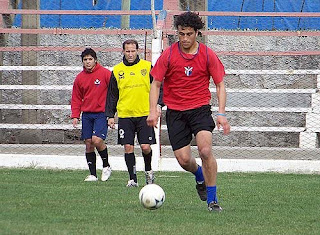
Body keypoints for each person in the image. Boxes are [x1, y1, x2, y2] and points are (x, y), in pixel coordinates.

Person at [147, 12, 230, 212]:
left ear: (196, 34)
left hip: (200, 109)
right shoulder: (168, 54)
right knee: (184, 160)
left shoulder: (208, 54)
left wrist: (221, 113)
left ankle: (213, 200)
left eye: (189, 34)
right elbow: (156, 83)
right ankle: (199, 175)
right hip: (175, 112)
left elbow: (220, 85)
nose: (184, 38)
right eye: (181, 34)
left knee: (205, 150)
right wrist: (153, 110)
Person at [105, 39, 162, 187]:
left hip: (145, 114)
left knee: (145, 147)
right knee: (128, 147)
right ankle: (132, 179)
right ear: (123, 51)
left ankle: (149, 172)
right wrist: (110, 115)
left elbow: (158, 86)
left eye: (133, 51)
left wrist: (158, 105)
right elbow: (112, 94)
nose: (130, 54)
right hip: (125, 115)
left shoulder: (147, 67)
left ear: (138, 50)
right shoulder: (117, 71)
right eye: (127, 51)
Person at [71, 48, 112, 182]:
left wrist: (112, 113)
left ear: (95, 60)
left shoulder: (105, 74)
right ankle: (93, 174)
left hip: (101, 113)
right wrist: (75, 115)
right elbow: (76, 97)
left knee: (97, 140)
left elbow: (113, 93)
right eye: (85, 60)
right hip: (87, 114)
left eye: (90, 59)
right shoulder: (80, 78)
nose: (88, 62)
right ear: (82, 62)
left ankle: (106, 165)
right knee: (88, 143)